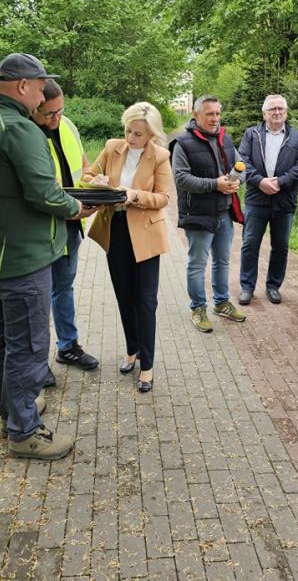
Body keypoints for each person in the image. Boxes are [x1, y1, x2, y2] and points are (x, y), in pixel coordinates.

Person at [0, 52, 92, 461]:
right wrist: (76, 208)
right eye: (40, 86)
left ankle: (11, 410)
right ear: (22, 86)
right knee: (29, 346)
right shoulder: (19, 128)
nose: (42, 95)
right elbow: (42, 192)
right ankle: (24, 432)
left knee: (3, 338)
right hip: (23, 259)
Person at [83, 102, 171, 393]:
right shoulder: (112, 147)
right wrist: (96, 181)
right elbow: (86, 175)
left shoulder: (160, 156)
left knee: (145, 301)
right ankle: (132, 349)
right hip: (116, 230)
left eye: (137, 134)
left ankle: (147, 365)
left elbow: (163, 198)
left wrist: (134, 195)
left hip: (145, 234)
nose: (130, 138)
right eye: (128, 131)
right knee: (124, 296)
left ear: (151, 135)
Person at [31, 80, 99, 371]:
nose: (56, 119)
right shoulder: (28, 136)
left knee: (63, 287)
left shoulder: (68, 125)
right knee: (38, 295)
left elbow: (83, 166)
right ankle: (37, 363)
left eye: (60, 111)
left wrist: (95, 182)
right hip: (42, 228)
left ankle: (68, 346)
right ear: (33, 108)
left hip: (71, 225)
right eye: (49, 114)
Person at [171, 95, 245, 333]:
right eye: (209, 114)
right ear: (196, 115)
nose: (215, 119)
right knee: (197, 264)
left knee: (222, 261)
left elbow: (241, 167)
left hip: (224, 212)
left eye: (217, 113)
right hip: (199, 214)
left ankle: (221, 302)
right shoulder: (183, 143)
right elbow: (181, 178)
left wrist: (236, 182)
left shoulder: (226, 138)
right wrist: (215, 184)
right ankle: (198, 307)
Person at [238, 94, 298, 305]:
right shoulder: (251, 135)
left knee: (281, 246)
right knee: (250, 244)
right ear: (264, 113)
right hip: (256, 199)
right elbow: (242, 161)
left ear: (286, 112)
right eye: (272, 109)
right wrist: (260, 181)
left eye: (280, 109)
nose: (277, 112)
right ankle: (247, 287)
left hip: (284, 200)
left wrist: (281, 181)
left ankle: (273, 286)